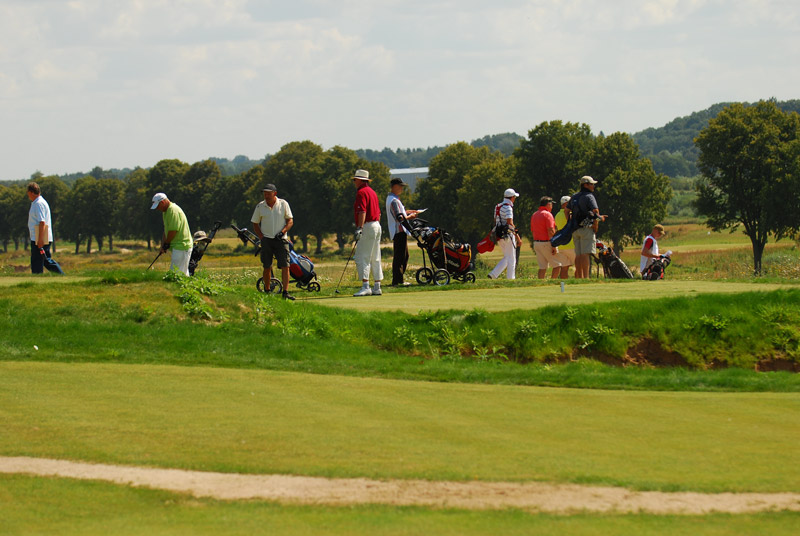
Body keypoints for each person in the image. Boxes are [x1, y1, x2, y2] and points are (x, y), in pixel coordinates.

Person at [251, 183, 295, 301]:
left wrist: (283, 231)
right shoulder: (260, 206)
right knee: (267, 266)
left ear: (274, 193)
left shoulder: (283, 204)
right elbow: (255, 223)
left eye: (268, 193)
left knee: (285, 266)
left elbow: (290, 221)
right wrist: (261, 237)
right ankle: (267, 290)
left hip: (281, 240)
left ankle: (285, 292)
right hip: (267, 240)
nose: (266, 196)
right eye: (265, 193)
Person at [565, 176, 606, 279]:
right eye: (592, 184)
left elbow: (566, 210)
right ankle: (586, 277)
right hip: (587, 228)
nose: (593, 186)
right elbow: (596, 212)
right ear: (586, 185)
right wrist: (595, 226)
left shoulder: (574, 196)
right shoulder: (589, 196)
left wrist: (570, 222)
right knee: (585, 254)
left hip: (575, 229)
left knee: (578, 254)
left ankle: (579, 277)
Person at [352, 169, 383, 296]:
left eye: (355, 179)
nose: (354, 182)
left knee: (362, 256)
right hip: (377, 225)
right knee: (375, 256)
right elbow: (379, 213)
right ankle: (377, 286)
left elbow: (362, 211)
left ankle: (366, 286)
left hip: (368, 225)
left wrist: (360, 228)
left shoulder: (361, 192)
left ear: (360, 180)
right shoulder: (372, 192)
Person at [385, 178, 420, 286]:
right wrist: (411, 216)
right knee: (400, 257)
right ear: (394, 186)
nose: (401, 188)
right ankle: (398, 281)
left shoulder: (391, 198)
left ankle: (399, 279)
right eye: (400, 186)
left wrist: (408, 212)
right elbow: (399, 217)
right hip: (399, 230)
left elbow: (400, 213)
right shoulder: (394, 200)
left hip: (398, 231)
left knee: (404, 256)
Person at [151, 192, 193, 277]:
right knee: (182, 274)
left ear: (162, 202)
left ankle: (178, 289)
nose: (158, 209)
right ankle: (184, 289)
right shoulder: (165, 211)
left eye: (158, 206)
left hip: (182, 246)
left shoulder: (172, 210)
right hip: (178, 246)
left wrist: (166, 244)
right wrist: (163, 245)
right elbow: (166, 230)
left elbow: (173, 231)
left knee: (175, 274)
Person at [26, 182, 64, 274]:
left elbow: (42, 222)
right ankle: (61, 275)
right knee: (45, 261)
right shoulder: (37, 202)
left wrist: (40, 240)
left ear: (31, 192)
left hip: (40, 238)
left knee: (38, 261)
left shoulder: (38, 203)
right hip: (38, 237)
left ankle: (37, 280)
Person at [530, 196, 567, 279]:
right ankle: (552, 283)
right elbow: (550, 230)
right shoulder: (547, 214)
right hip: (546, 243)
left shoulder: (535, 214)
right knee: (557, 265)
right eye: (551, 204)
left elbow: (532, 230)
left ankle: (540, 284)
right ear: (548, 204)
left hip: (536, 243)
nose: (552, 206)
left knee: (542, 267)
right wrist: (554, 244)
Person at [488, 188, 520, 280]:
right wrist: (517, 236)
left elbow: (495, 220)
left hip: (499, 235)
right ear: (512, 197)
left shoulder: (497, 206)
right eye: (514, 197)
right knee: (512, 259)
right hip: (508, 234)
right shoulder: (508, 207)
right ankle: (511, 278)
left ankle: (493, 274)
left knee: (507, 257)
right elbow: (510, 222)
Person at [553, 195, 576, 277]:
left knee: (564, 268)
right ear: (566, 203)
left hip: (561, 246)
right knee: (578, 266)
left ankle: (564, 285)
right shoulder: (571, 215)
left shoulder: (557, 215)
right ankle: (578, 284)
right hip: (572, 245)